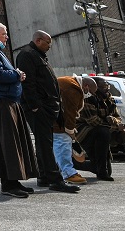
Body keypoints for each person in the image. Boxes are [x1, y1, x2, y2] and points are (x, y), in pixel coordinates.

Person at [0, 22, 38, 199]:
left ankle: (14, 181)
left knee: (12, 144)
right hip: (0, 103)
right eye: (4, 34)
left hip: (6, 101)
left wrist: (15, 74)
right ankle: (8, 184)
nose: (7, 37)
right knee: (7, 144)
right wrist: (17, 75)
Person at [16, 30, 79, 193]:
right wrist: (36, 106)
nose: (50, 46)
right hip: (39, 109)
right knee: (45, 143)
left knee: (44, 142)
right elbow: (27, 83)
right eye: (47, 42)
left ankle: (44, 176)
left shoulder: (38, 55)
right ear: (38, 40)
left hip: (47, 108)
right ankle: (55, 179)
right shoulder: (27, 55)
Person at [75, 76, 114, 181]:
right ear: (94, 88)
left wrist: (115, 123)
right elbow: (94, 121)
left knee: (106, 132)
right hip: (83, 131)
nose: (107, 89)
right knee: (103, 132)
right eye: (104, 86)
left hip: (100, 129)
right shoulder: (87, 98)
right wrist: (111, 122)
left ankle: (99, 168)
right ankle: (73, 163)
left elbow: (116, 117)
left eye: (107, 86)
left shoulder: (109, 99)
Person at [53, 75, 87, 185]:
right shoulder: (74, 89)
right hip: (56, 120)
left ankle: (50, 174)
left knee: (55, 144)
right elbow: (70, 113)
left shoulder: (68, 81)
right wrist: (71, 132)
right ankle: (68, 173)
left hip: (51, 115)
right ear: (86, 87)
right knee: (63, 141)